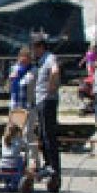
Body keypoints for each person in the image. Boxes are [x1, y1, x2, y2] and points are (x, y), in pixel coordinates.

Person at [30, 35, 62, 184]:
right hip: (41, 100)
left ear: (40, 47)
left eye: (35, 48)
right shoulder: (41, 61)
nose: (33, 52)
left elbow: (55, 71)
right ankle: (48, 164)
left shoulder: (50, 58)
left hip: (47, 100)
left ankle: (54, 167)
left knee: (49, 135)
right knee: (42, 135)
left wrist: (51, 87)